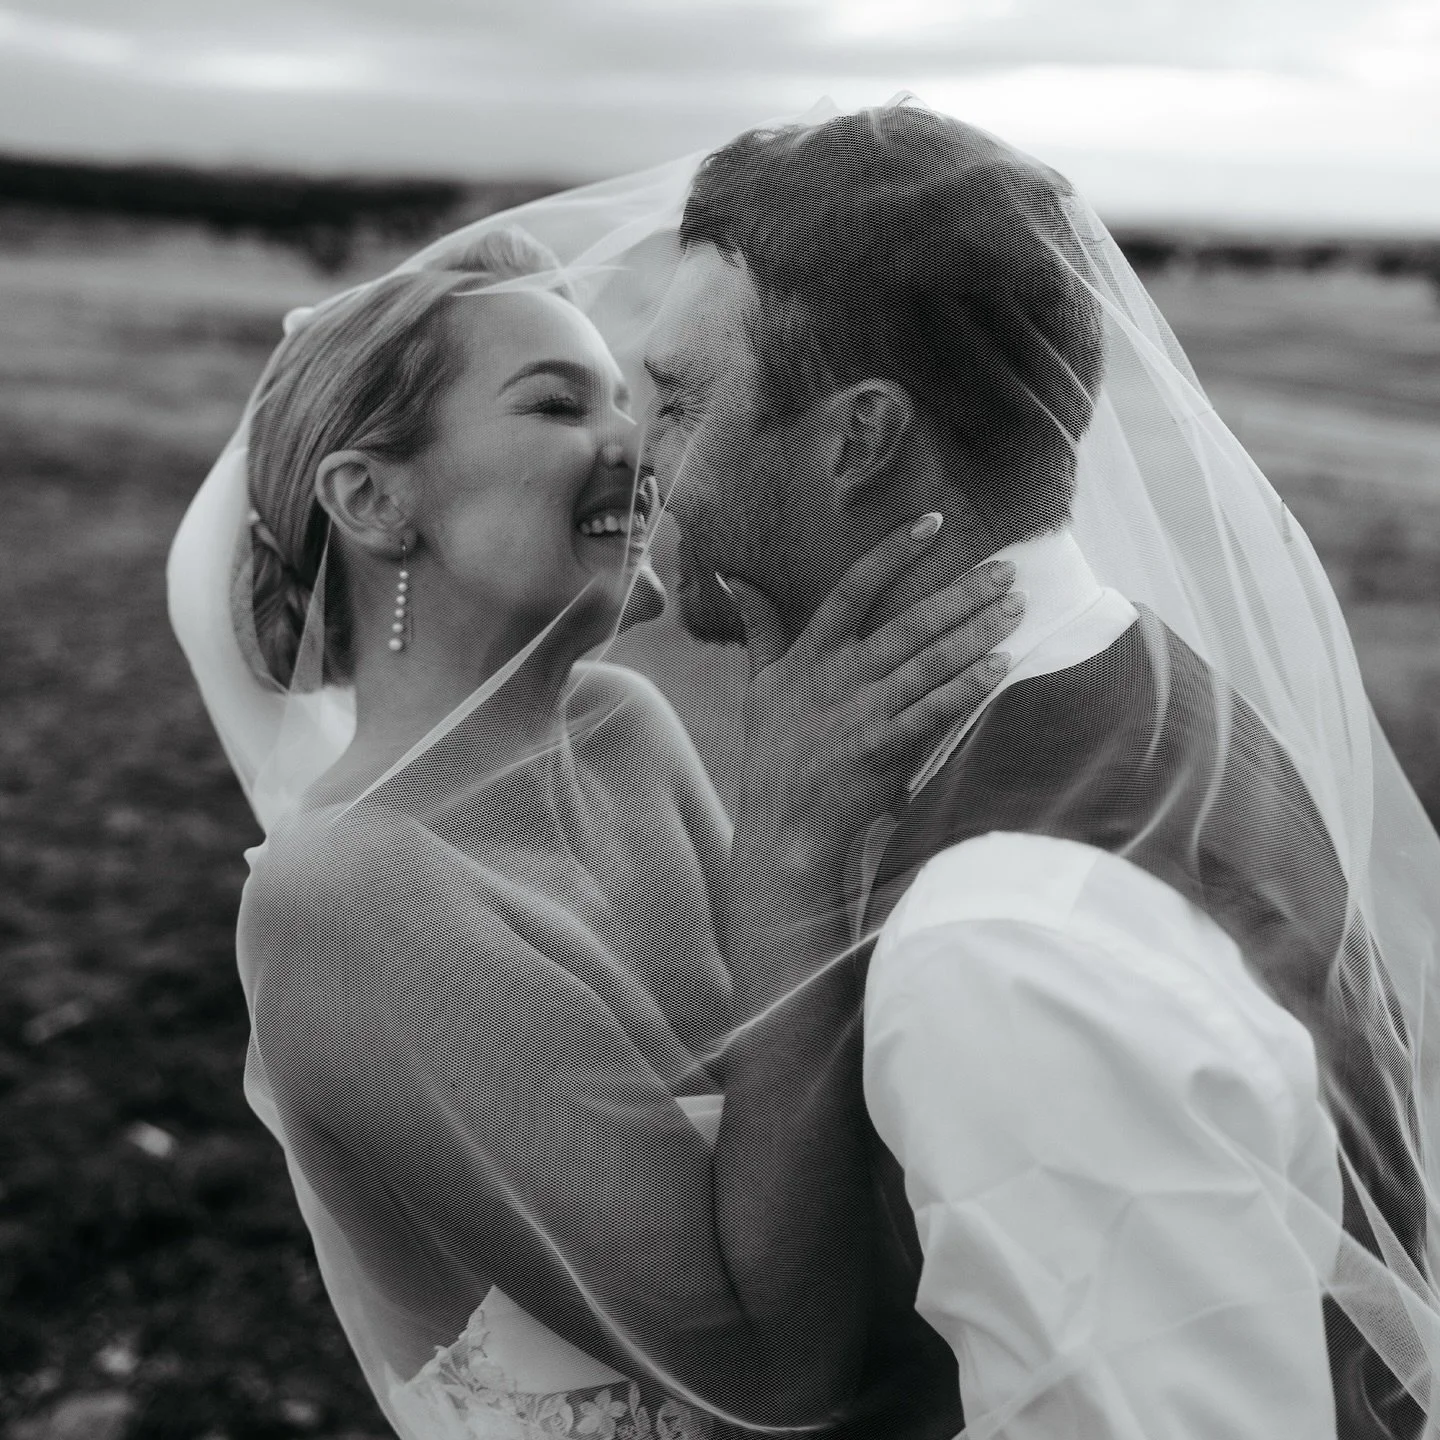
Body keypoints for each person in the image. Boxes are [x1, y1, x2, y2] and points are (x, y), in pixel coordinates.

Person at [639, 102, 1440, 1438]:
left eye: (678, 399)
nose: (638, 450)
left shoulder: (1004, 948)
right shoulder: (1138, 672)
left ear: (857, 437)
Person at [169, 220, 1022, 1440]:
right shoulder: (345, 894)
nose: (642, 441)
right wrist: (793, 838)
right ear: (371, 497)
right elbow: (769, 1377)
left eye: (634, 399)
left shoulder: (623, 726)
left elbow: (816, 1089)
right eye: (562, 404)